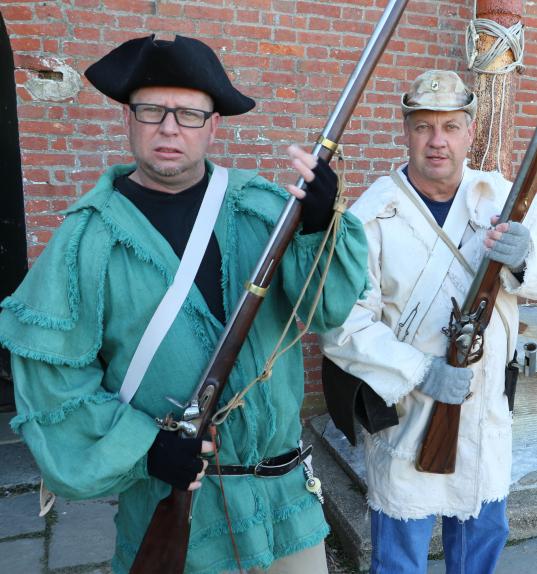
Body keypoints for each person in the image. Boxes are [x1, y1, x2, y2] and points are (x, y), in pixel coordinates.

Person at [0, 35, 368, 573]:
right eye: (152, 110)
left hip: (285, 504)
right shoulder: (87, 238)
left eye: (189, 114)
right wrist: (146, 448)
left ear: (213, 126)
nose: (169, 128)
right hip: (175, 507)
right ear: (129, 118)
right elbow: (52, 382)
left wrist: (317, 225)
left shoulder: (266, 210)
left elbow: (327, 309)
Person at [320, 70, 537, 573]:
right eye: (424, 127)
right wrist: (421, 371)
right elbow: (341, 326)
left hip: (485, 414)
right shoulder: (370, 215)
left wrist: (525, 259)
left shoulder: (504, 197)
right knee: (399, 556)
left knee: (482, 543)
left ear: (469, 133)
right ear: (406, 130)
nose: (438, 141)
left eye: (451, 127)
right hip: (410, 409)